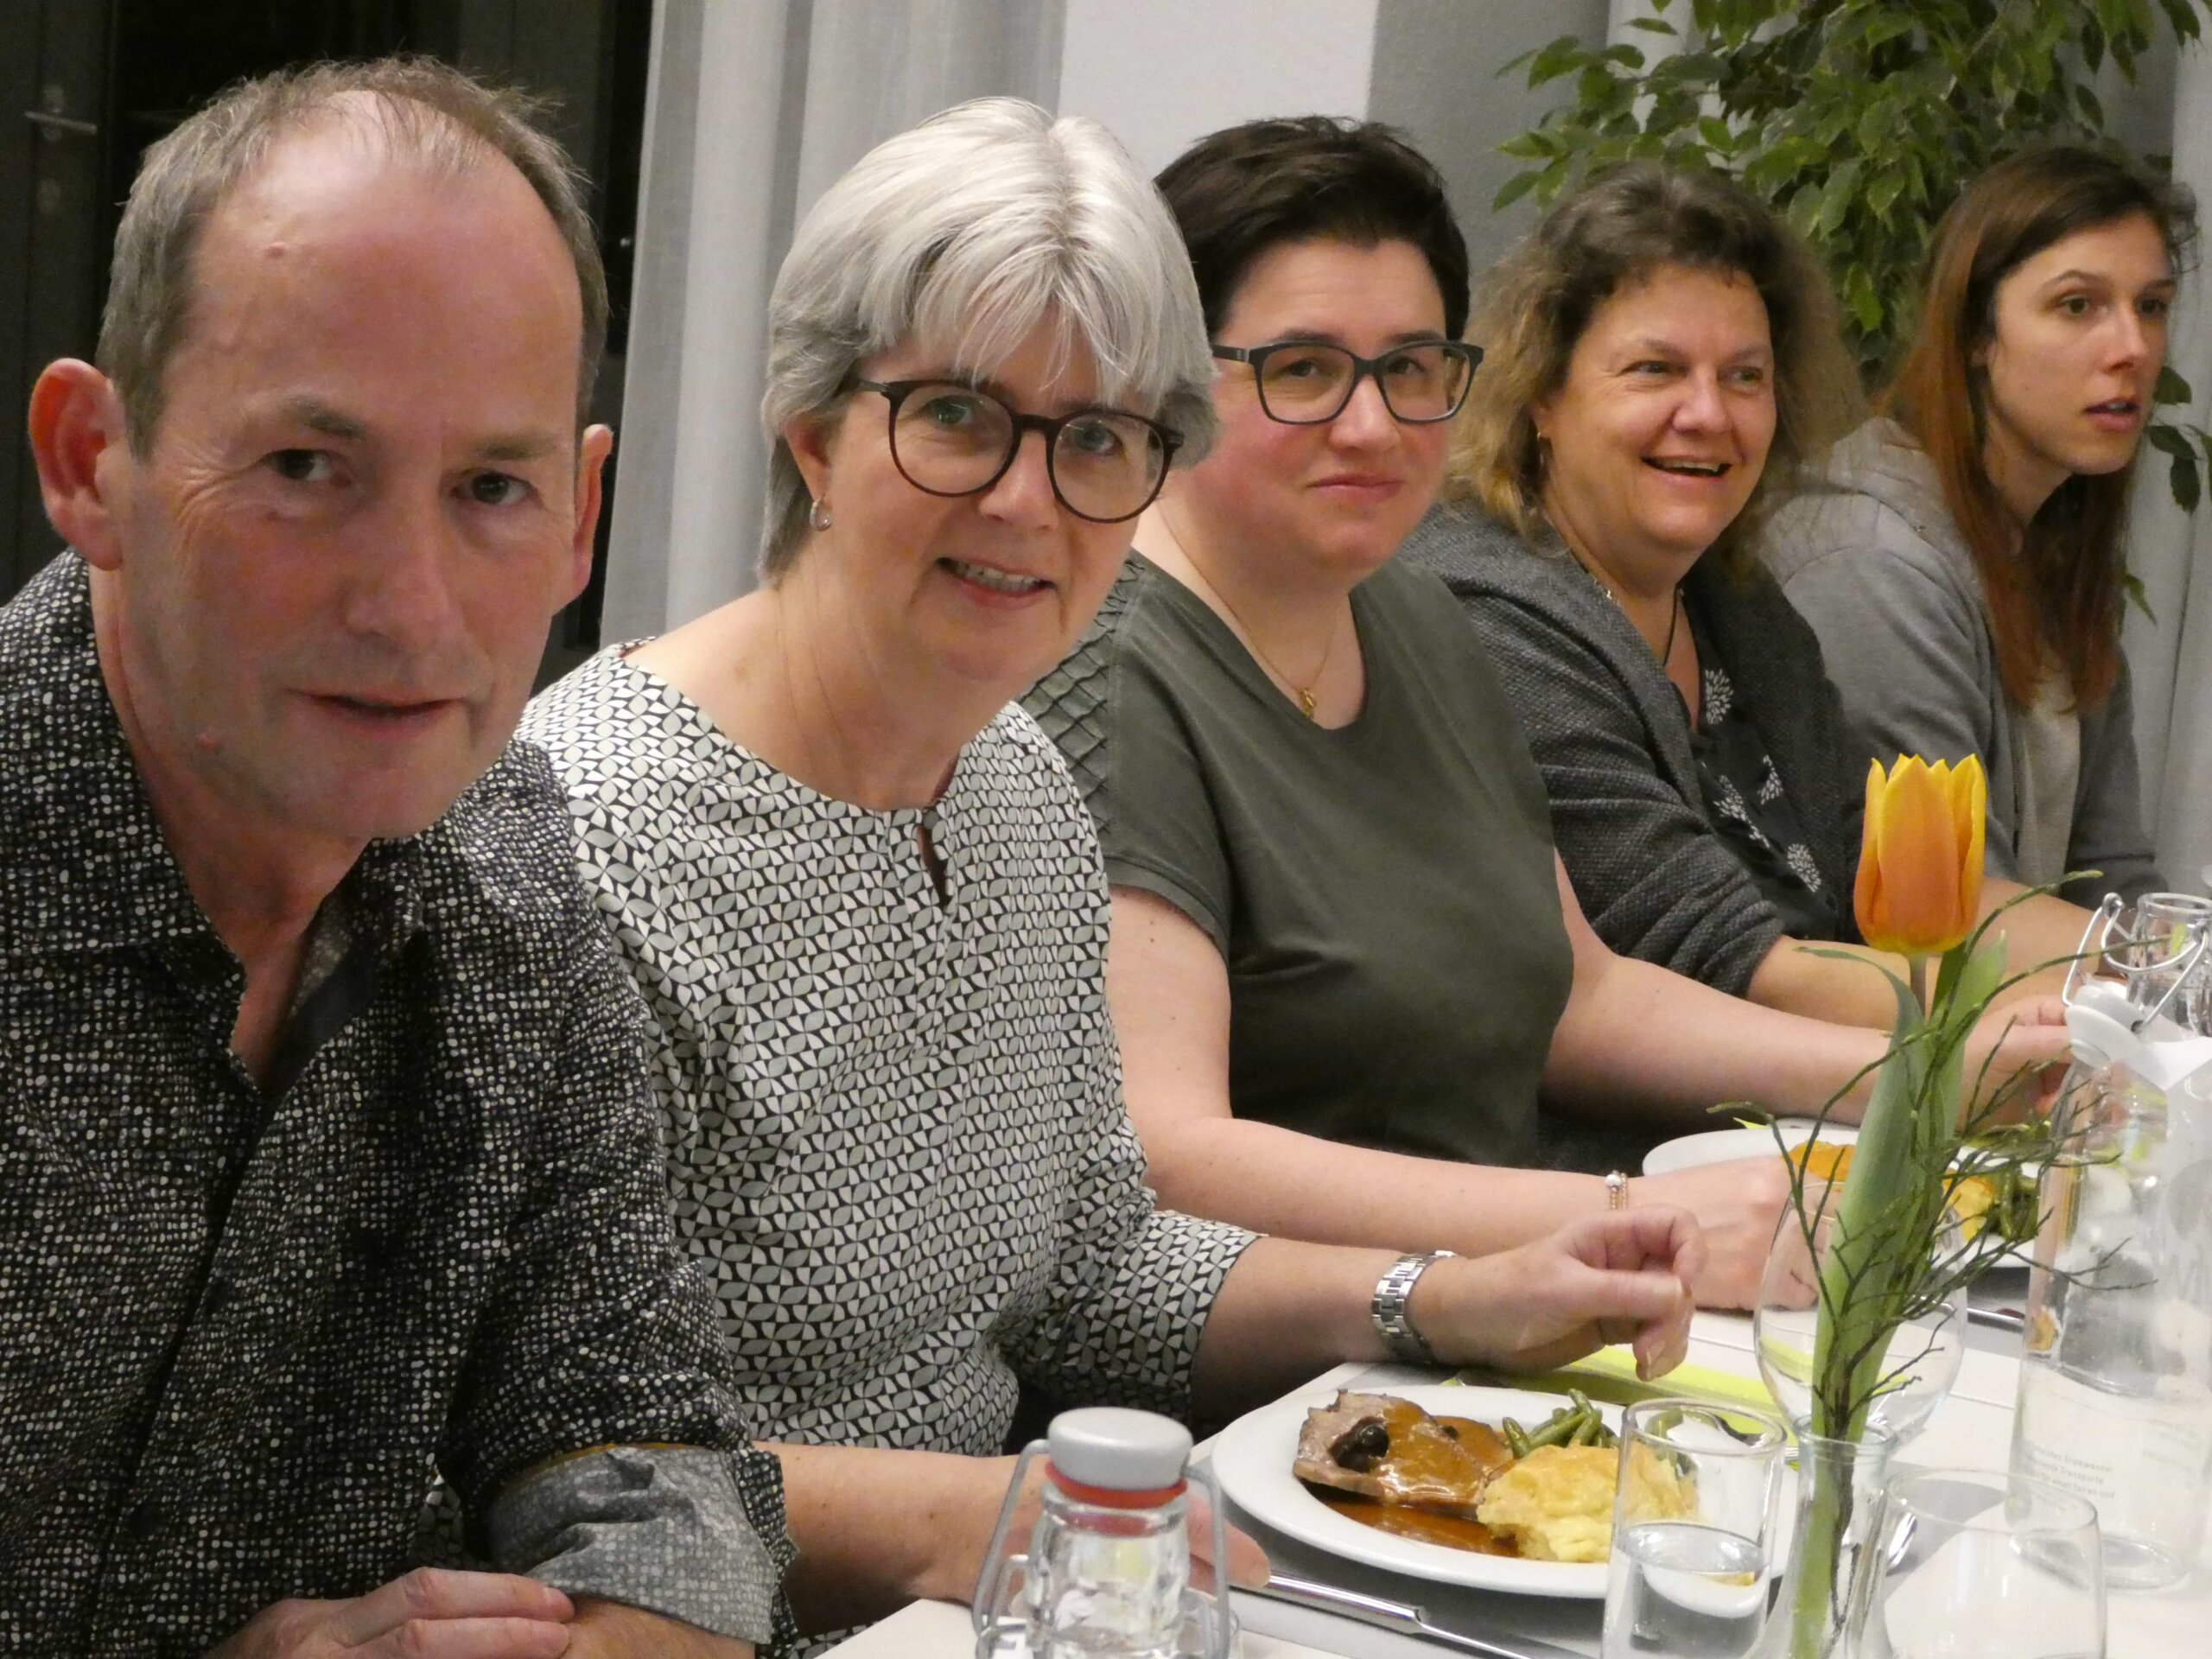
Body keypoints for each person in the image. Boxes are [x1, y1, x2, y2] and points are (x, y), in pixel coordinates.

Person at [521, 99, 1703, 1652]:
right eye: (959, 417)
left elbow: (1091, 1268)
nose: (1028, 501)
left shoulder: (1016, 787)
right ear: (811, 433)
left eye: (1096, 440)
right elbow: (567, 1475)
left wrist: (1434, 1296)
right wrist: (983, 1523)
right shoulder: (595, 837)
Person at [1024, 118, 2070, 1313]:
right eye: (1302, 370)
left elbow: (1585, 997)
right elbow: (1169, 1157)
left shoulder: (1414, 619)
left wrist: (1929, 1076)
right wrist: (1626, 1222)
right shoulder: (1110, 674)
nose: (1371, 425)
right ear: (1168, 388)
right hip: (1293, 1365)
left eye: (1410, 369)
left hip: (1510, 1319)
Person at [8, 60, 791, 1656]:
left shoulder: (507, 864)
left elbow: (646, 1440)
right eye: (308, 470)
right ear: (93, 461)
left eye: (491, 489)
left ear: (580, 518)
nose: (411, 608)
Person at [1404, 162, 2083, 1029]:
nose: (1708, 414)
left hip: (1827, 1083)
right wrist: (2062, 1023)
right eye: (1655, 369)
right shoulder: (1489, 611)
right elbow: (1724, 961)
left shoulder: (1734, 600)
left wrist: (2152, 964)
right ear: (1542, 391)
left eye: (1744, 376)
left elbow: (1882, 869)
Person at [1765, 146, 2188, 909]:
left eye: (2151, 306)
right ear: (1975, 335)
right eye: (2077, 306)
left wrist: (2181, 962)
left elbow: (2113, 874)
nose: (2132, 348)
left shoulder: (2053, 536)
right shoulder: (1872, 560)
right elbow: (1958, 910)